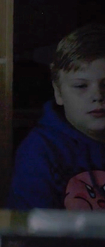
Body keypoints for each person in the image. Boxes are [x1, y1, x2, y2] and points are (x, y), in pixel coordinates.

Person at [9, 23, 105, 210]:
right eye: (81, 86)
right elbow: (31, 229)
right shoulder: (40, 151)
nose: (98, 96)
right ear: (58, 92)